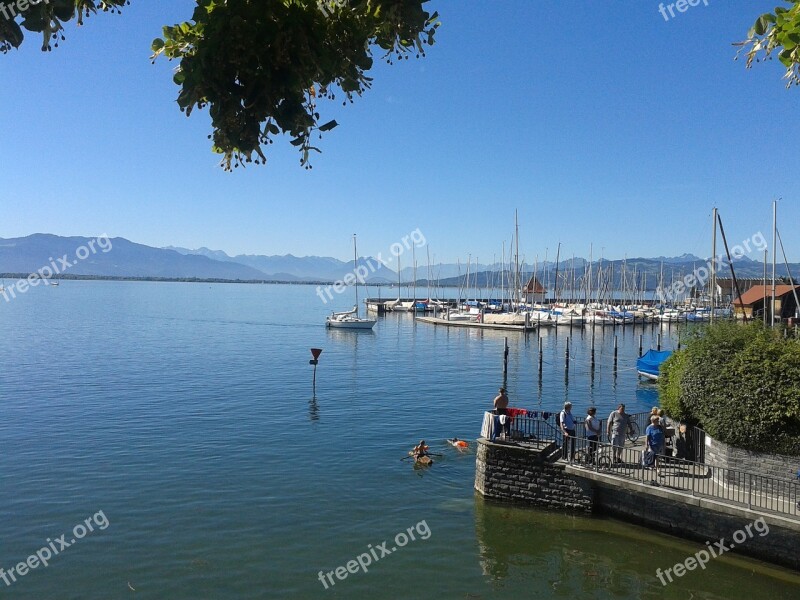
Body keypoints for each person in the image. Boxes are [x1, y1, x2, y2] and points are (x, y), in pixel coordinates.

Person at [645, 415, 665, 483]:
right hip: (652, 445)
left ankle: (655, 468)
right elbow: (647, 437)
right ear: (653, 421)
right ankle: (655, 468)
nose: (658, 422)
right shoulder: (649, 428)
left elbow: (662, 435)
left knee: (657, 457)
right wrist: (646, 444)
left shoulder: (659, 427)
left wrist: (663, 443)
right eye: (657, 421)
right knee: (655, 456)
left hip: (659, 444)